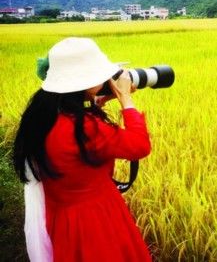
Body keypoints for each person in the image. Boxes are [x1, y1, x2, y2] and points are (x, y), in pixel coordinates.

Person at [12, 37, 152, 262]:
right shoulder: (86, 128)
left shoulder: (41, 116)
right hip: (97, 220)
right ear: (86, 83)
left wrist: (95, 105)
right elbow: (139, 146)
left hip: (63, 216)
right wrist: (125, 99)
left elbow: (73, 143)